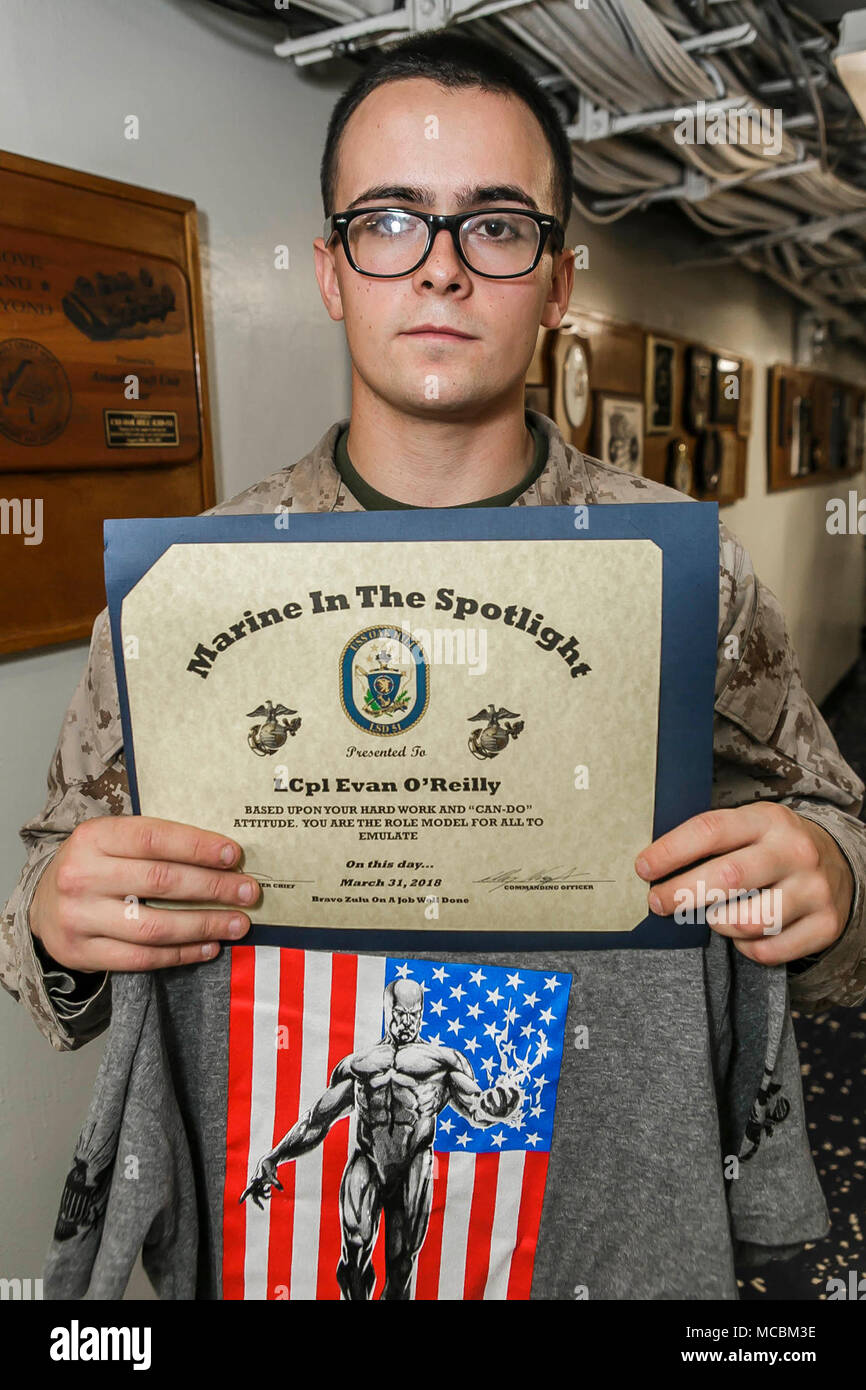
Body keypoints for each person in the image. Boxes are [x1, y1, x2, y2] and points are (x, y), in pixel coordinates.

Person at [4, 31, 866, 1299]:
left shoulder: (681, 573)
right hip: (284, 1225)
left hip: (599, 1214)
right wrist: (56, 920)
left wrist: (827, 873)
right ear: (329, 273)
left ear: (557, 280)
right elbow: (48, 925)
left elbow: (831, 824)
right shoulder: (190, 586)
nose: (444, 272)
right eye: (390, 222)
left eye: (496, 226)